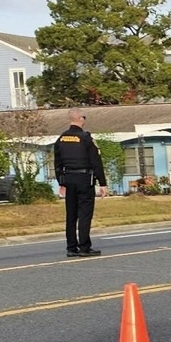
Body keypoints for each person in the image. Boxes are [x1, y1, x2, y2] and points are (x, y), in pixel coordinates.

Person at [53, 108, 106, 257]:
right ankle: (84, 247)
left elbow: (57, 163)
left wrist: (61, 182)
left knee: (71, 214)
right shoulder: (86, 138)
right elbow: (96, 162)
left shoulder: (61, 138)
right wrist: (102, 183)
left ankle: (71, 247)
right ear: (81, 119)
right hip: (84, 180)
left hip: (69, 179)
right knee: (84, 214)